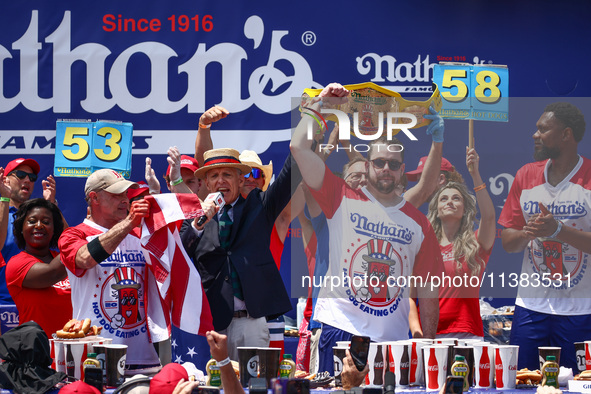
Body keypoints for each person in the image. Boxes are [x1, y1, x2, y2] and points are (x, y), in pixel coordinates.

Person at [290, 83, 442, 344]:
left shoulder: (419, 223)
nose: (386, 169)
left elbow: (428, 289)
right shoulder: (339, 196)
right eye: (379, 162)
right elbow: (299, 148)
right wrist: (318, 107)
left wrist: (427, 344)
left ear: (402, 169)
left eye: (393, 164)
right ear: (368, 164)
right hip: (339, 330)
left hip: (391, 342)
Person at [180, 147, 300, 360]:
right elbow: (180, 250)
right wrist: (201, 220)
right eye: (214, 176)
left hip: (251, 324)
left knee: (255, 387)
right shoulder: (194, 216)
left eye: (227, 174)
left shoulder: (260, 206)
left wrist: (304, 138)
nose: (221, 181)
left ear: (240, 180)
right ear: (207, 184)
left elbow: (289, 175)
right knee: (213, 389)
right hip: (210, 326)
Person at [499, 102, 591, 371]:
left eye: (543, 129)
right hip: (531, 307)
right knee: (524, 383)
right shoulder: (526, 175)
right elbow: (508, 243)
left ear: (566, 134)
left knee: (580, 385)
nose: (534, 135)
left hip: (581, 311)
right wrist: (528, 232)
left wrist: (558, 230)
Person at [58, 169, 161, 368]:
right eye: (117, 194)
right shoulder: (73, 235)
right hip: (94, 357)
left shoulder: (141, 234)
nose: (125, 200)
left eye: (126, 194)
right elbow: (85, 259)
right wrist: (130, 223)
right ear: (94, 198)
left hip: (143, 358)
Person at [425, 147, 496, 339]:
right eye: (444, 199)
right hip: (432, 334)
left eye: (456, 198)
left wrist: (475, 175)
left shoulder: (475, 244)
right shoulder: (425, 246)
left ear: (464, 209)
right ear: (436, 210)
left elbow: (489, 218)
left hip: (468, 334)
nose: (450, 202)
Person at [5, 198, 71, 338]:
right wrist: (80, 240)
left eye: (46, 222)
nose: (39, 225)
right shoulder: (16, 264)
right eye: (32, 221)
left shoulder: (63, 259)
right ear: (21, 229)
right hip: (36, 354)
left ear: (54, 230)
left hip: (73, 351)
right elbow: (52, 273)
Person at [0, 158, 59, 303]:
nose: (27, 180)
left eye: (31, 177)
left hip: (39, 303)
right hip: (4, 303)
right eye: (20, 175)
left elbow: (68, 248)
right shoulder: (2, 210)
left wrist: (52, 206)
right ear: (5, 179)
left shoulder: (40, 217)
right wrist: (4, 199)